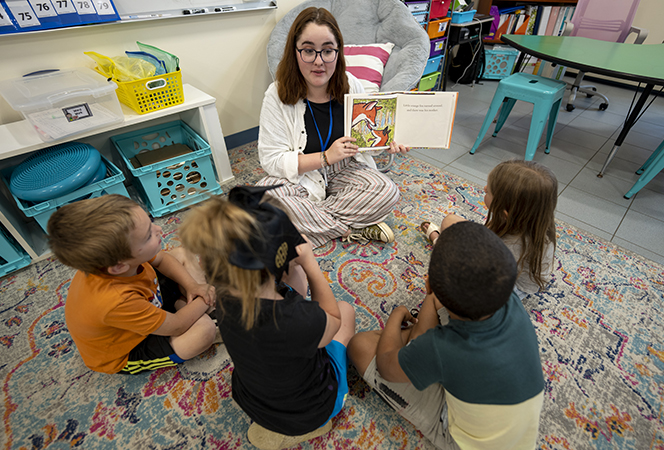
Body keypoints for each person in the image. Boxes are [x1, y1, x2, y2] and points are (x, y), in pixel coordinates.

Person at [178, 186, 356, 450]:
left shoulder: (223, 297)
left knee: (299, 296)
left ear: (206, 263)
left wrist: (288, 267)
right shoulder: (295, 321)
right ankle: (312, 427)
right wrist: (310, 264)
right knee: (345, 310)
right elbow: (333, 319)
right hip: (311, 409)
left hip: (252, 397)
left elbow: (287, 286)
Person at [347, 221, 545, 450]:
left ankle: (413, 344)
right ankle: (416, 344)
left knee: (360, 345)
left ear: (428, 284)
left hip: (461, 441)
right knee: (424, 328)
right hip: (516, 432)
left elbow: (385, 366)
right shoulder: (511, 301)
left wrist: (397, 314)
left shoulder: (442, 347)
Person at [256, 7, 409, 248]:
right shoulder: (276, 94)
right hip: (303, 173)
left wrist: (384, 143)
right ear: (294, 52)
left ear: (338, 52)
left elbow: (365, 145)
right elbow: (271, 160)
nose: (318, 61)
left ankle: (304, 223)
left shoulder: (352, 85)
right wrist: (326, 157)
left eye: (327, 51)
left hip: (345, 169)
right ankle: (352, 227)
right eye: (308, 50)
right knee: (261, 199)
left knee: (387, 190)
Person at [46, 194, 217, 374]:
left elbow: (161, 260)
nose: (159, 229)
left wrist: (192, 286)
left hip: (147, 299)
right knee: (204, 332)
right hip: (130, 348)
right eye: (148, 235)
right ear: (119, 267)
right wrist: (205, 297)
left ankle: (187, 303)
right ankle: (198, 307)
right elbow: (177, 325)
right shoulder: (115, 300)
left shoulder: (118, 259)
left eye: (150, 222)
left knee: (182, 254)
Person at [421, 159, 557, 297]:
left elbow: (476, 272)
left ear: (505, 214)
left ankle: (437, 241)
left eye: (489, 192)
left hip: (508, 289)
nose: (484, 189)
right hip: (507, 268)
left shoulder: (508, 247)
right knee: (450, 220)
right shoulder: (535, 219)